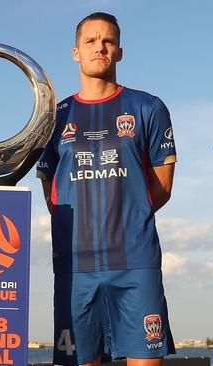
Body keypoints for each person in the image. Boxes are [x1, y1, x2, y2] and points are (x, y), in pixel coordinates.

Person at [36, 12, 177, 366]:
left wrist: (127, 220)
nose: (100, 47)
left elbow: (161, 188)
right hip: (75, 267)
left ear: (119, 52)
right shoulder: (54, 117)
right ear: (75, 52)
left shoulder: (148, 107)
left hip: (135, 264)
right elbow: (52, 191)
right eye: (91, 41)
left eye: (108, 41)